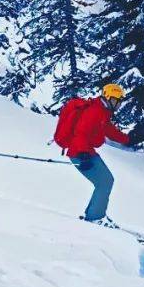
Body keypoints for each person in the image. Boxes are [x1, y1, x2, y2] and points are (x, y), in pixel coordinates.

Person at [53, 83, 132, 226]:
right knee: (105, 182)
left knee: (105, 181)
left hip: (86, 151)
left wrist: (128, 139)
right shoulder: (95, 111)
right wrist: (83, 154)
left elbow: (109, 130)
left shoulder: (102, 111)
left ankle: (94, 216)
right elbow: (80, 133)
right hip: (80, 153)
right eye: (116, 100)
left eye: (119, 101)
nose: (118, 104)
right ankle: (95, 218)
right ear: (107, 97)